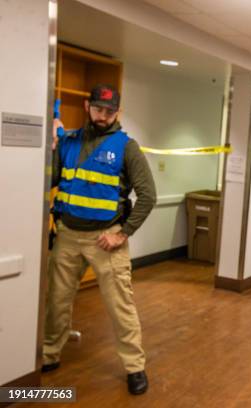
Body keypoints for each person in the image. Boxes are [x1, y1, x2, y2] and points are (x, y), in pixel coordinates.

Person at [43, 84, 156, 395]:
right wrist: (50, 144)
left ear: (117, 112)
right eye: (98, 109)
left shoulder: (126, 147)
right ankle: (49, 353)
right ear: (87, 106)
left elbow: (148, 196)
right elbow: (50, 179)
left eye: (109, 111)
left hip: (105, 239)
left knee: (121, 305)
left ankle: (134, 366)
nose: (103, 116)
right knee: (57, 299)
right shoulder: (69, 141)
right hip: (66, 235)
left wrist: (122, 233)